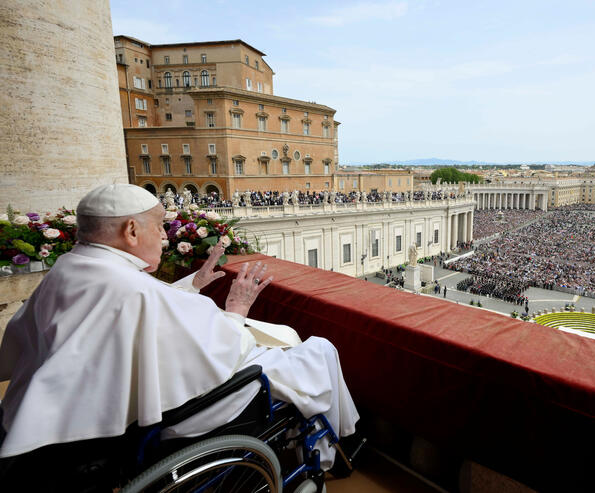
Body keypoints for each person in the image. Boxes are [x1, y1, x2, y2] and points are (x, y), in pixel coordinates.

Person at [0, 184, 359, 469]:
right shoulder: (130, 285)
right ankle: (336, 444)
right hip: (183, 411)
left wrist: (194, 284)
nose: (165, 236)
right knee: (318, 349)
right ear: (130, 230)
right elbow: (218, 348)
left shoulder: (73, 265)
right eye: (158, 227)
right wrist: (236, 308)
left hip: (84, 408)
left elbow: (140, 310)